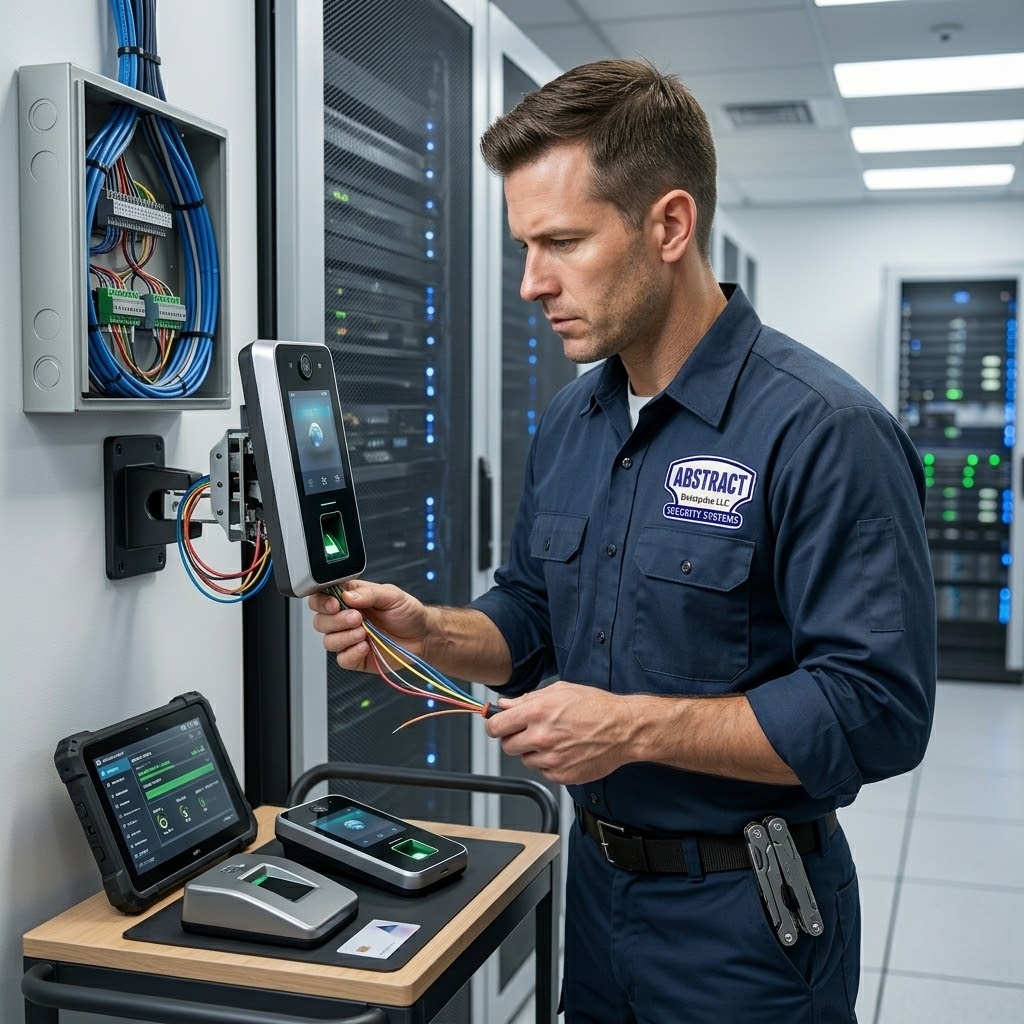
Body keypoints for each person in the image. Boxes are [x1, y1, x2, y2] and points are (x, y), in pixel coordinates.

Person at [309, 58, 936, 1024]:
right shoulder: (572, 422)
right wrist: (430, 629)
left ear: (670, 226)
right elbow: (529, 614)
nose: (530, 284)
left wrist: (630, 727)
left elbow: (876, 709)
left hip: (748, 923)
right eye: (525, 246)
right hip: (598, 901)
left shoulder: (823, 431)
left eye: (562, 242)